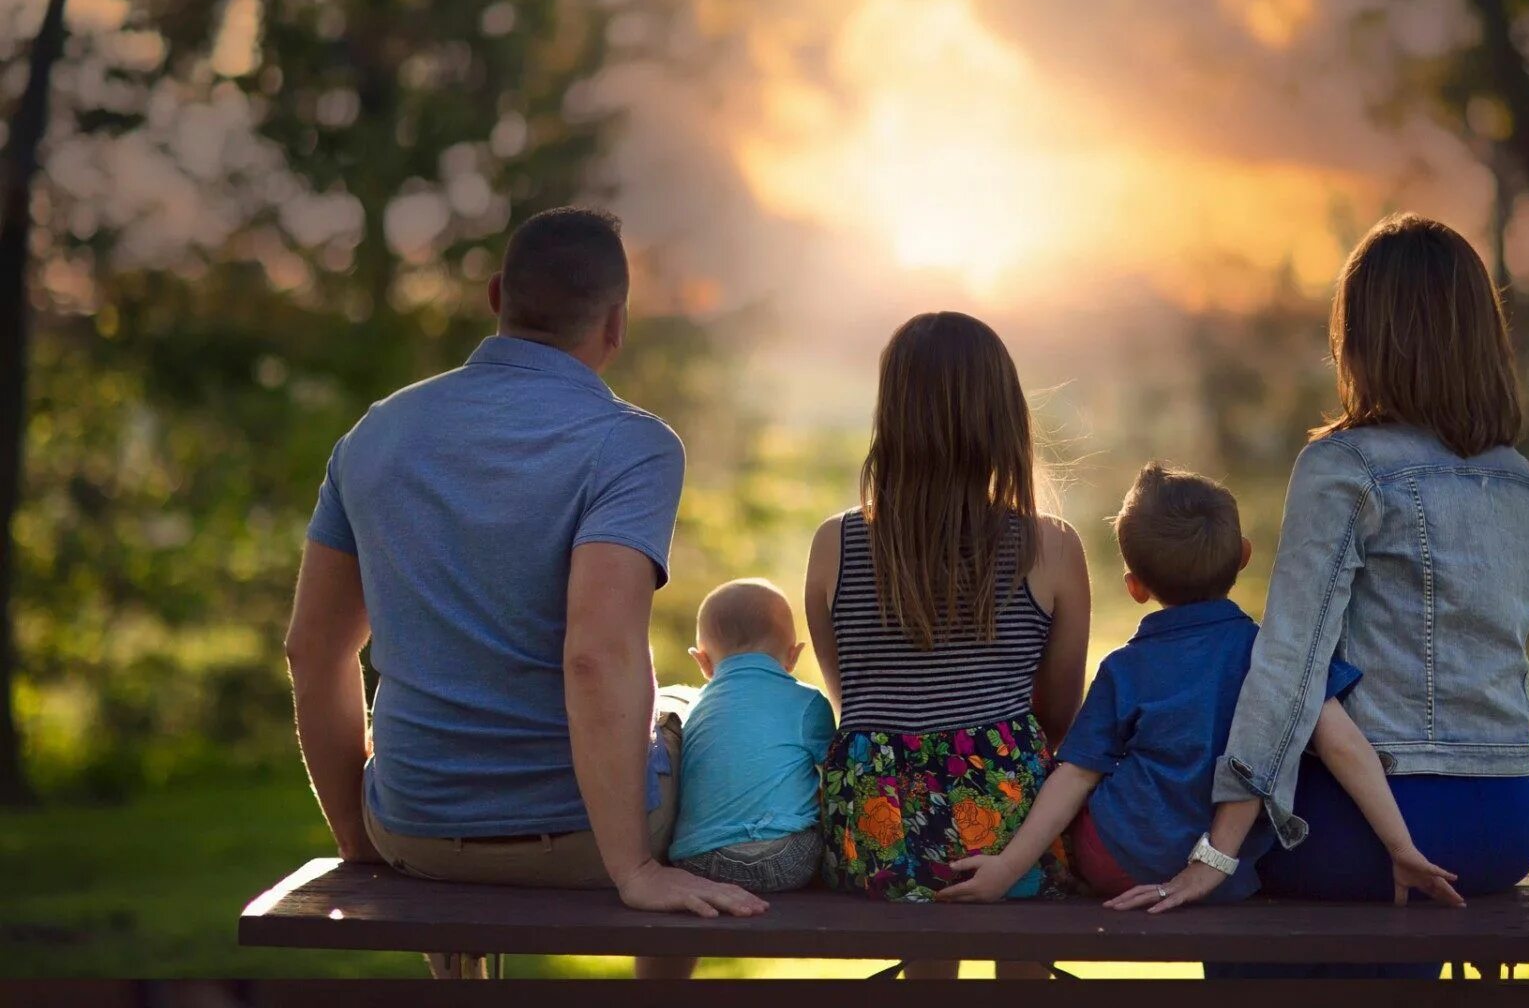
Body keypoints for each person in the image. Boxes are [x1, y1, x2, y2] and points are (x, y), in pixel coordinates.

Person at [285, 207, 766, 960]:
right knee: (685, 707)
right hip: (579, 842)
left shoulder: (376, 432)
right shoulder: (632, 446)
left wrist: (363, 839)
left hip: (414, 829)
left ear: (496, 295)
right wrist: (634, 869)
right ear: (616, 325)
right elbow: (595, 656)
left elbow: (312, 651)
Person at [1114, 214, 1529, 980]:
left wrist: (1216, 854)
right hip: (1509, 825)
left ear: (1364, 337)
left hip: (1378, 826)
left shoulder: (1343, 466)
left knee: (1244, 870)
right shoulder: (1520, 480)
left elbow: (1289, 664)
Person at [937, 462, 1457, 910]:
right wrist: (1401, 847)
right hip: (1224, 874)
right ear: (1244, 556)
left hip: (1111, 859)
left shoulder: (1126, 668)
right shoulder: (1275, 658)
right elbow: (1345, 745)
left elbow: (1076, 776)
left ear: (1135, 588)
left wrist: (1008, 867)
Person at [806, 311, 1091, 977]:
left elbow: (853, 701)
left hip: (874, 835)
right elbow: (1058, 719)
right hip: (1004, 828)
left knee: (928, 925)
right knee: (1022, 858)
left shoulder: (834, 544)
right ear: (1001, 416)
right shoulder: (1050, 545)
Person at [669, 578, 835, 893]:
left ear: (701, 661)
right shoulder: (808, 702)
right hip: (786, 860)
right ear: (793, 655)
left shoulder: (695, 708)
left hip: (700, 863)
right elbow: (838, 776)